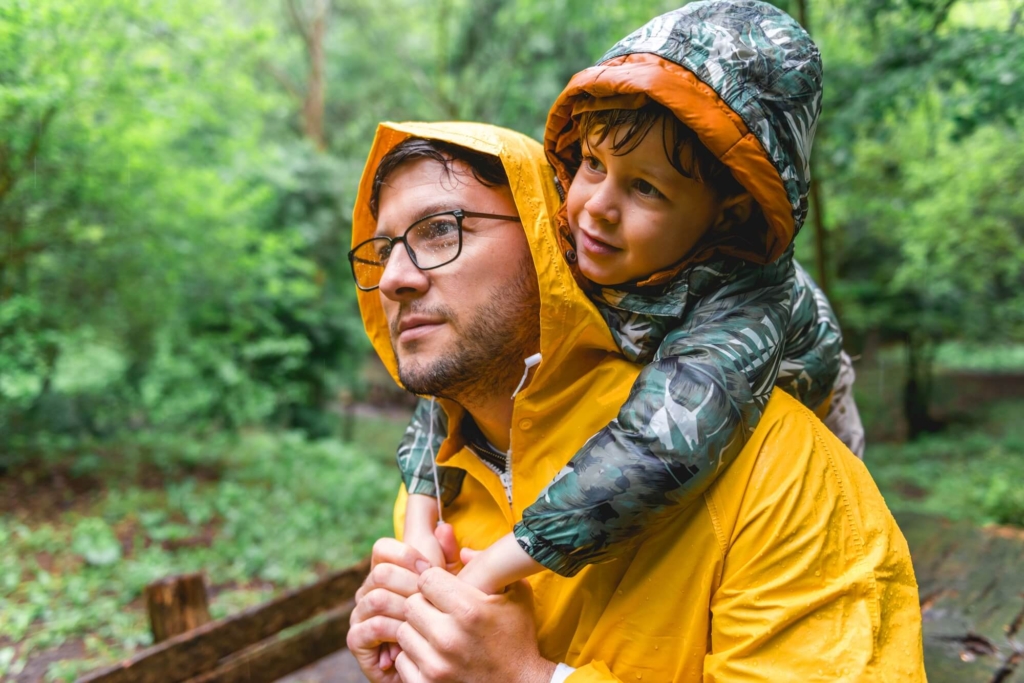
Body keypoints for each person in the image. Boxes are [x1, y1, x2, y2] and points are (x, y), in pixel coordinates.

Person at [344, 120, 924, 681]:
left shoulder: (780, 469)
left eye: (441, 229)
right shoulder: (439, 482)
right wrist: (416, 662)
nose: (395, 276)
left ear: (552, 240)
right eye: (381, 249)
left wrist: (531, 678)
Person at [393, 0, 865, 598]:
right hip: (643, 361)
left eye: (645, 187)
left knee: (815, 541)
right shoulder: (590, 237)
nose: (596, 207)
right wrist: (420, 519)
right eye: (592, 163)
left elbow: (662, 445)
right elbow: (464, 367)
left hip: (801, 398)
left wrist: (491, 569)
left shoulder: (744, 303)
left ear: (733, 208)